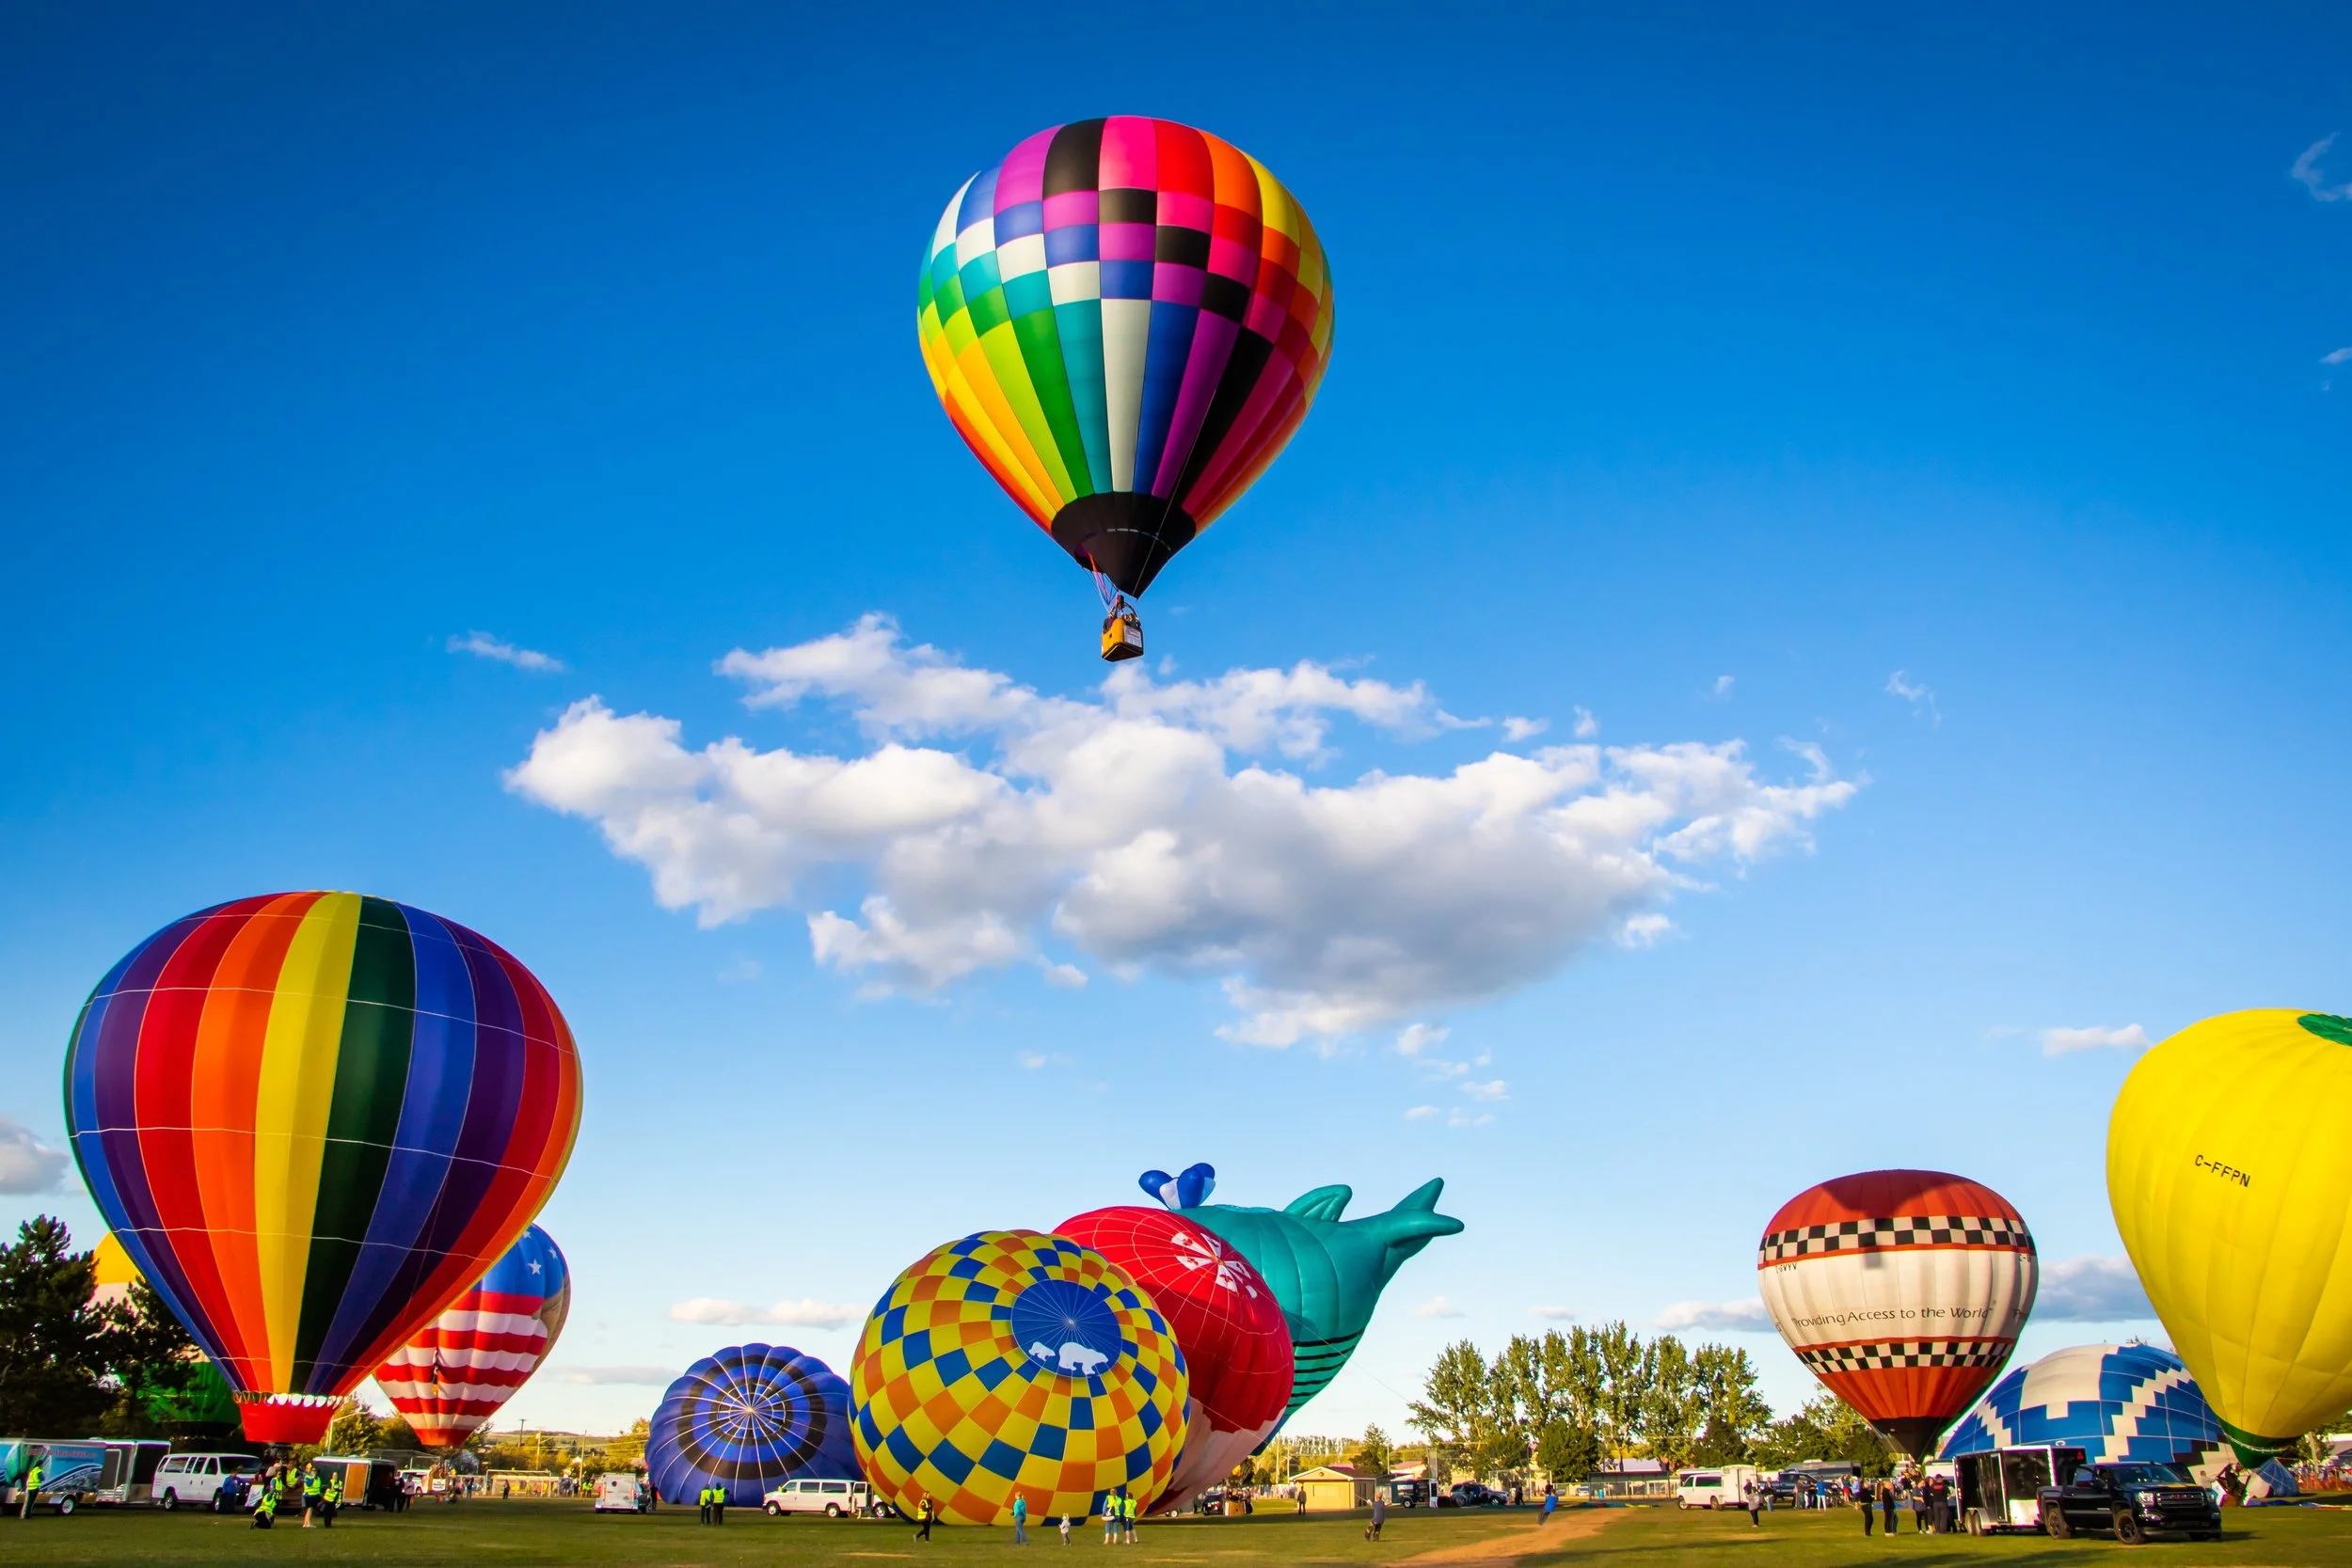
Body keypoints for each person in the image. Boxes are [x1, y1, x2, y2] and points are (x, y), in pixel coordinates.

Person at [19, 1456, 40, 1520]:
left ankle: (24, 1515)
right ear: (40, 1465)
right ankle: (27, 1515)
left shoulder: (32, 1471)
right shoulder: (38, 1471)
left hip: (29, 1488)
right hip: (34, 1488)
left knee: (28, 1502)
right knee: (30, 1502)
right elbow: (42, 1478)